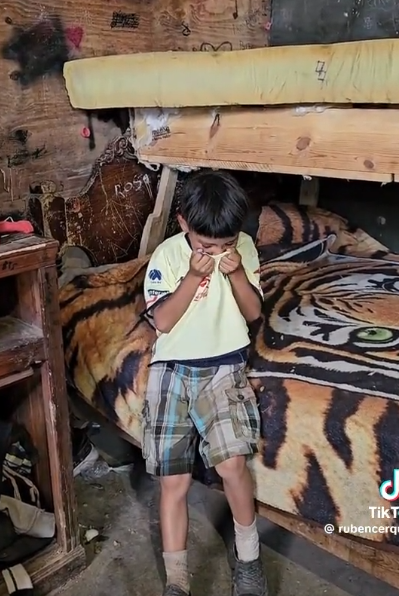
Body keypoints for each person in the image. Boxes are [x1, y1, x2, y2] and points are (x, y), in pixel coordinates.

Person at [142, 169, 268, 596]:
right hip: (172, 368)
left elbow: (253, 314)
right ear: (182, 224)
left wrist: (234, 273)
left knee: (232, 463)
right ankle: (177, 580)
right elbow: (162, 321)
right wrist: (194, 276)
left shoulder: (244, 249)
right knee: (173, 480)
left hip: (224, 366)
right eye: (205, 245)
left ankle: (249, 560)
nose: (216, 252)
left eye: (226, 245)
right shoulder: (168, 256)